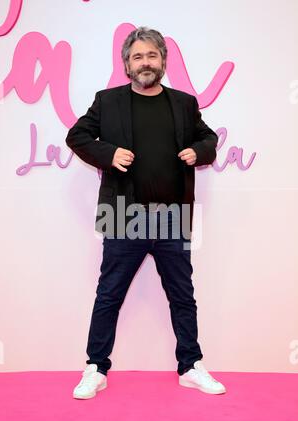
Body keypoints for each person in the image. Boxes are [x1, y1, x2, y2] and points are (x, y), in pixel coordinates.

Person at [65, 26, 226, 399]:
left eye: (152, 55)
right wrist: (108, 153)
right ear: (127, 64)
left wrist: (198, 152)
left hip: (172, 214)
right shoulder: (107, 101)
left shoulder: (184, 103)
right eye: (137, 56)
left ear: (163, 61)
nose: (145, 62)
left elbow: (209, 140)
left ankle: (190, 365)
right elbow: (77, 136)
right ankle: (95, 368)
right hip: (123, 213)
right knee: (109, 295)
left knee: (182, 295)